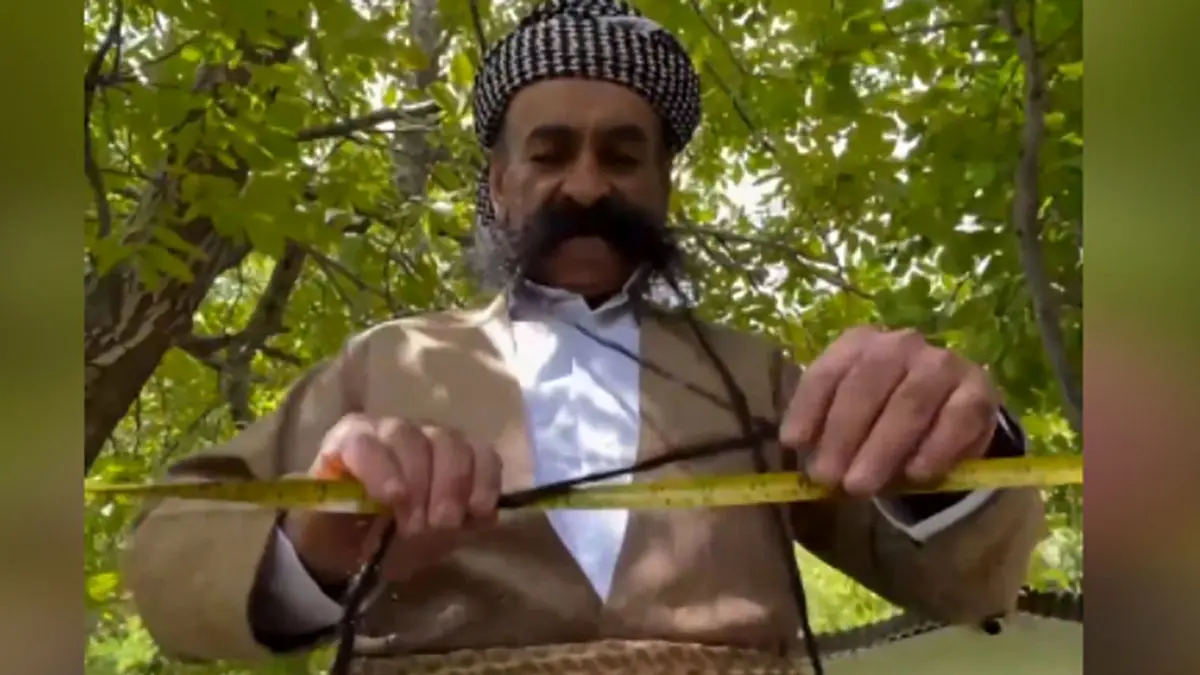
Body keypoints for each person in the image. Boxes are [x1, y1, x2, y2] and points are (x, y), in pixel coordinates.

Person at [122, 1, 1046, 672]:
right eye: (551, 152)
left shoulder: (753, 371)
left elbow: (967, 584)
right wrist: (314, 548)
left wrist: (957, 448)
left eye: (623, 155)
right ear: (498, 184)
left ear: (665, 187)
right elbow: (169, 552)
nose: (588, 186)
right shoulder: (387, 363)